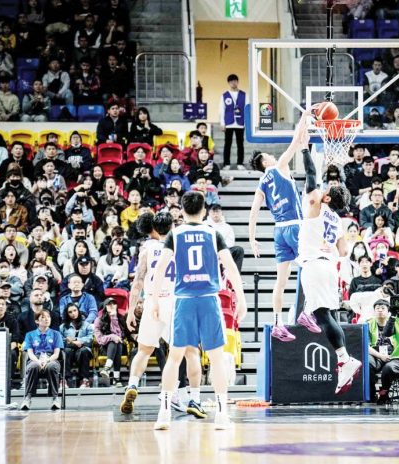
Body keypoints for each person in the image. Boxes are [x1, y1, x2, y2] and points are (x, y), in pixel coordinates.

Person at [150, 191, 247, 430]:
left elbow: (160, 269)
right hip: (208, 300)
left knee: (174, 358)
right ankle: (222, 414)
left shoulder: (175, 233)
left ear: (181, 212)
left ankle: (163, 413)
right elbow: (231, 267)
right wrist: (241, 299)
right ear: (204, 212)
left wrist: (153, 299)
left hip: (183, 300)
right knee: (216, 358)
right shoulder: (213, 233)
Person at [120, 212, 206, 417]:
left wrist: (131, 311)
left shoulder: (147, 249)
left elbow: (138, 282)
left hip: (152, 301)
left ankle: (132, 384)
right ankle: (191, 396)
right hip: (176, 302)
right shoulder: (181, 245)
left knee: (143, 350)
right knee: (190, 352)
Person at [296, 147, 362, 396]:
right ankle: (343, 358)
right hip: (329, 267)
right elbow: (344, 251)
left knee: (322, 315)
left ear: (325, 198)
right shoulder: (338, 220)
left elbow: (311, 173)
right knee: (328, 315)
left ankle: (344, 359)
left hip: (314, 264)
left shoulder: (315, 205)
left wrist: (304, 148)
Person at [248, 114, 309, 342]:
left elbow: (254, 211)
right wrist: (303, 119)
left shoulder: (261, 183)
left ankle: (278, 322)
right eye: (268, 156)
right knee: (312, 267)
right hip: (294, 226)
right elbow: (294, 142)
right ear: (265, 163)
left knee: (280, 282)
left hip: (278, 231)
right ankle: (306, 313)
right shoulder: (279, 167)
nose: (273, 156)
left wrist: (252, 238)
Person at [20, 309, 64, 411]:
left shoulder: (56, 334)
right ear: (37, 321)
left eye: (48, 317)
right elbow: (30, 353)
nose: (46, 319)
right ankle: (27, 398)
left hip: (51, 358)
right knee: (33, 367)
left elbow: (56, 354)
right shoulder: (29, 335)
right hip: (35, 358)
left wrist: (47, 360)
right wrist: (38, 361)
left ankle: (55, 398)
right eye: (43, 318)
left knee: (52, 367)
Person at [219, 74, 246, 169]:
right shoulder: (224, 95)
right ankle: (226, 164)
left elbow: (247, 109)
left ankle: (240, 163)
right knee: (227, 144)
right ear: (228, 83)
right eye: (231, 81)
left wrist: (247, 122)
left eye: (235, 81)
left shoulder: (244, 95)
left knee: (240, 144)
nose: (233, 83)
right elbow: (221, 110)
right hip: (229, 123)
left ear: (237, 82)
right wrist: (222, 123)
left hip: (240, 122)